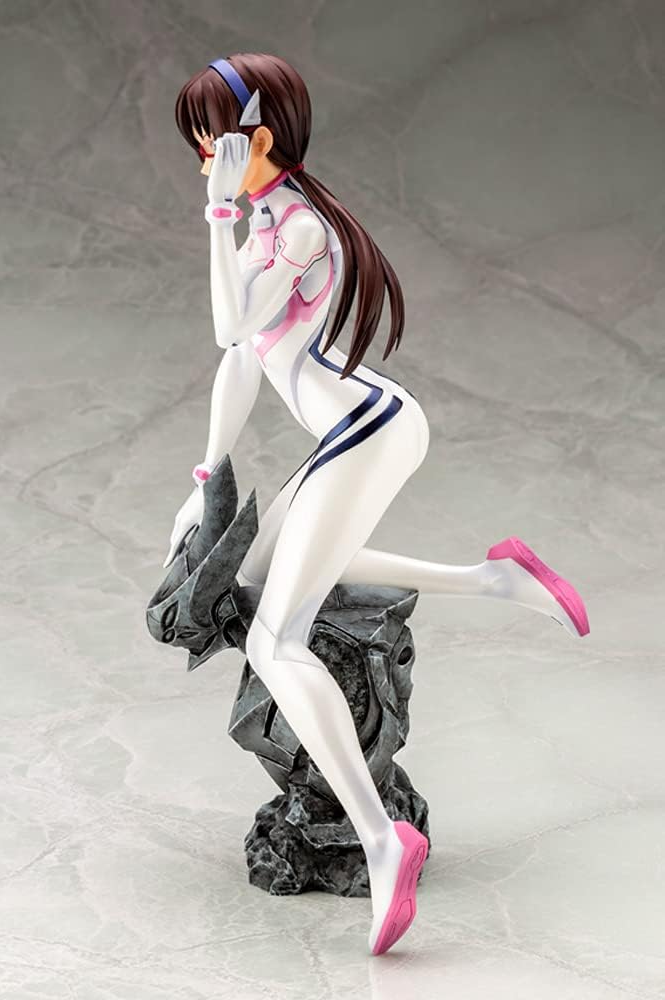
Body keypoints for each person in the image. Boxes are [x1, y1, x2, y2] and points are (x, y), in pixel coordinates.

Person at [165, 52, 590, 956]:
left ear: (260, 136)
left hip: (370, 430)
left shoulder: (296, 226)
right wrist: (205, 480)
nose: (207, 159)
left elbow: (230, 323)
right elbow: (239, 361)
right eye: (200, 146)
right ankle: (496, 580)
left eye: (217, 141)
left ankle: (378, 836)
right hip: (353, 431)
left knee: (276, 641)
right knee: (261, 574)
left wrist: (217, 212)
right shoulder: (267, 219)